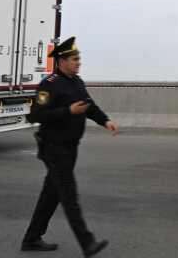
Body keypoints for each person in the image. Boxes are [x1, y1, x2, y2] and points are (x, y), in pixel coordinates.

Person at [21, 36, 119, 257]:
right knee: (68, 195)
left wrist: (105, 121)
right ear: (62, 61)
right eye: (75, 59)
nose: (78, 62)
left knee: (51, 194)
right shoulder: (50, 84)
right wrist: (67, 111)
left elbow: (89, 106)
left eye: (79, 59)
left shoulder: (76, 81)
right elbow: (35, 115)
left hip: (70, 147)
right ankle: (87, 243)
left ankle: (32, 238)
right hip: (54, 148)